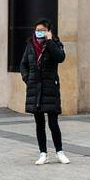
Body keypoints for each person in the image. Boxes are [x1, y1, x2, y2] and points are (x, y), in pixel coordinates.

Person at [19, 19, 69, 165]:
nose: (39, 32)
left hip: (50, 87)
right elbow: (23, 65)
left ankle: (60, 152)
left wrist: (50, 42)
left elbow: (61, 58)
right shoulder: (30, 45)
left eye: (42, 29)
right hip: (35, 88)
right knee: (39, 123)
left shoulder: (55, 43)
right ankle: (43, 153)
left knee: (53, 123)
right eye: (37, 29)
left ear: (48, 30)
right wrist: (27, 78)